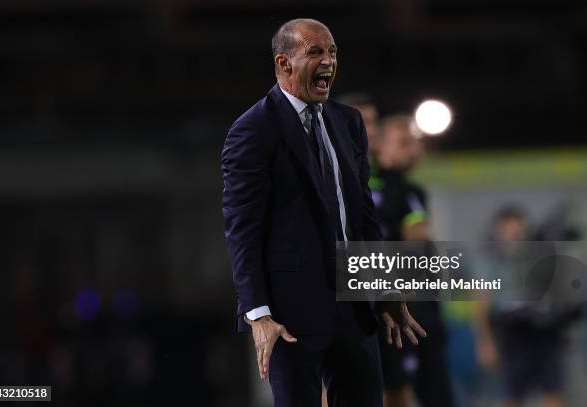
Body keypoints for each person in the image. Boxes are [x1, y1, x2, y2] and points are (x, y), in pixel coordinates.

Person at [221, 18, 426, 407]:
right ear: (284, 63)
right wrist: (257, 314)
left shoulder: (347, 122)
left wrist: (384, 287)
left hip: (355, 307)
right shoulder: (253, 130)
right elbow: (241, 230)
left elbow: (364, 215)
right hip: (290, 317)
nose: (328, 61)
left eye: (332, 52)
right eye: (315, 52)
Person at [368, 114, 454, 407]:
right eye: (404, 143)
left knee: (394, 387)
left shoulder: (367, 187)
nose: (413, 150)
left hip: (388, 304)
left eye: (415, 143)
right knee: (423, 391)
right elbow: (416, 243)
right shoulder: (405, 192)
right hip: (408, 307)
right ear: (380, 146)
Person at [475, 206, 579, 407]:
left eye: (519, 227)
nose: (516, 233)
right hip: (513, 333)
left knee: (552, 389)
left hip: (544, 331)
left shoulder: (540, 253)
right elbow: (482, 303)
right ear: (498, 229)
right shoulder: (490, 261)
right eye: (510, 228)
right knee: (513, 393)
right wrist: (485, 341)